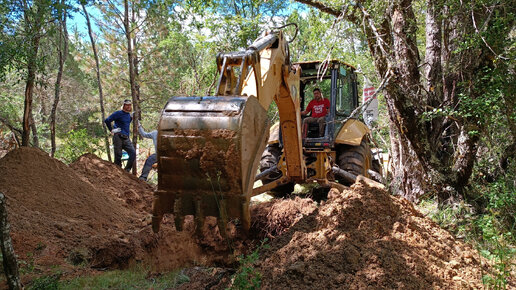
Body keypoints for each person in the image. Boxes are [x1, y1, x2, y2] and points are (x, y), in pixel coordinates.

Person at [104, 99, 136, 172]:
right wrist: (111, 130)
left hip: (126, 138)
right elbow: (107, 120)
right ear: (124, 105)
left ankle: (126, 171)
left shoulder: (128, 115)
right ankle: (117, 172)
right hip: (118, 136)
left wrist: (131, 118)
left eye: (130, 105)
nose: (129, 106)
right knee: (118, 155)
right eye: (127, 105)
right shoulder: (118, 113)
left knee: (133, 153)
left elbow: (126, 124)